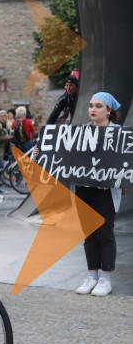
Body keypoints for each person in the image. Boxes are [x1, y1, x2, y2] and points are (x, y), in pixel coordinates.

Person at [71, 92, 124, 297]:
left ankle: (106, 278)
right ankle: (92, 275)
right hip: (84, 188)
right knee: (89, 232)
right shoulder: (80, 132)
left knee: (105, 232)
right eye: (91, 105)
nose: (93, 109)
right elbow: (66, 153)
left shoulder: (120, 134)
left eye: (99, 106)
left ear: (109, 110)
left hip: (106, 190)